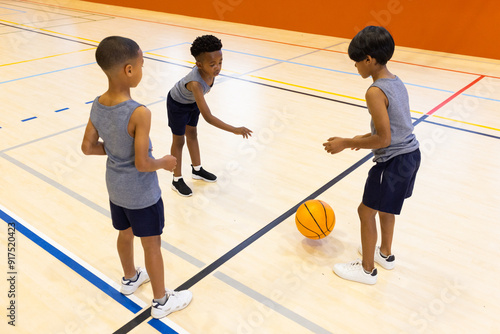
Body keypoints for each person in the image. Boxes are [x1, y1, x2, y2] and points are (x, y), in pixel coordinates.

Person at [81, 36, 192, 317]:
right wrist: (165, 162)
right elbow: (143, 164)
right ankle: (161, 301)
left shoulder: (97, 104)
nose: (144, 70)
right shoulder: (139, 112)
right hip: (142, 194)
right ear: (129, 70)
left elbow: (87, 147)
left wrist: (117, 150)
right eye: (142, 65)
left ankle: (130, 278)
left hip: (116, 189)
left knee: (125, 233)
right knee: (151, 244)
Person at [323, 26, 420, 285]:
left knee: (366, 212)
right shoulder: (395, 81)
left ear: (369, 60)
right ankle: (385, 254)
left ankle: (367, 270)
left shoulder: (374, 92)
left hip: (392, 161)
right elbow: (394, 130)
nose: (355, 67)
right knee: (386, 208)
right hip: (410, 155)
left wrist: (346, 142)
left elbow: (384, 139)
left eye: (357, 61)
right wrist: (358, 140)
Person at [167, 34, 252, 196]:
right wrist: (234, 129)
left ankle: (197, 170)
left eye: (220, 62)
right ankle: (176, 179)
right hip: (177, 105)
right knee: (179, 141)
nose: (218, 67)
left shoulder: (209, 73)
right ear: (199, 65)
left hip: (191, 103)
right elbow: (209, 117)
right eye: (212, 64)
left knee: (192, 133)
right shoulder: (196, 83)